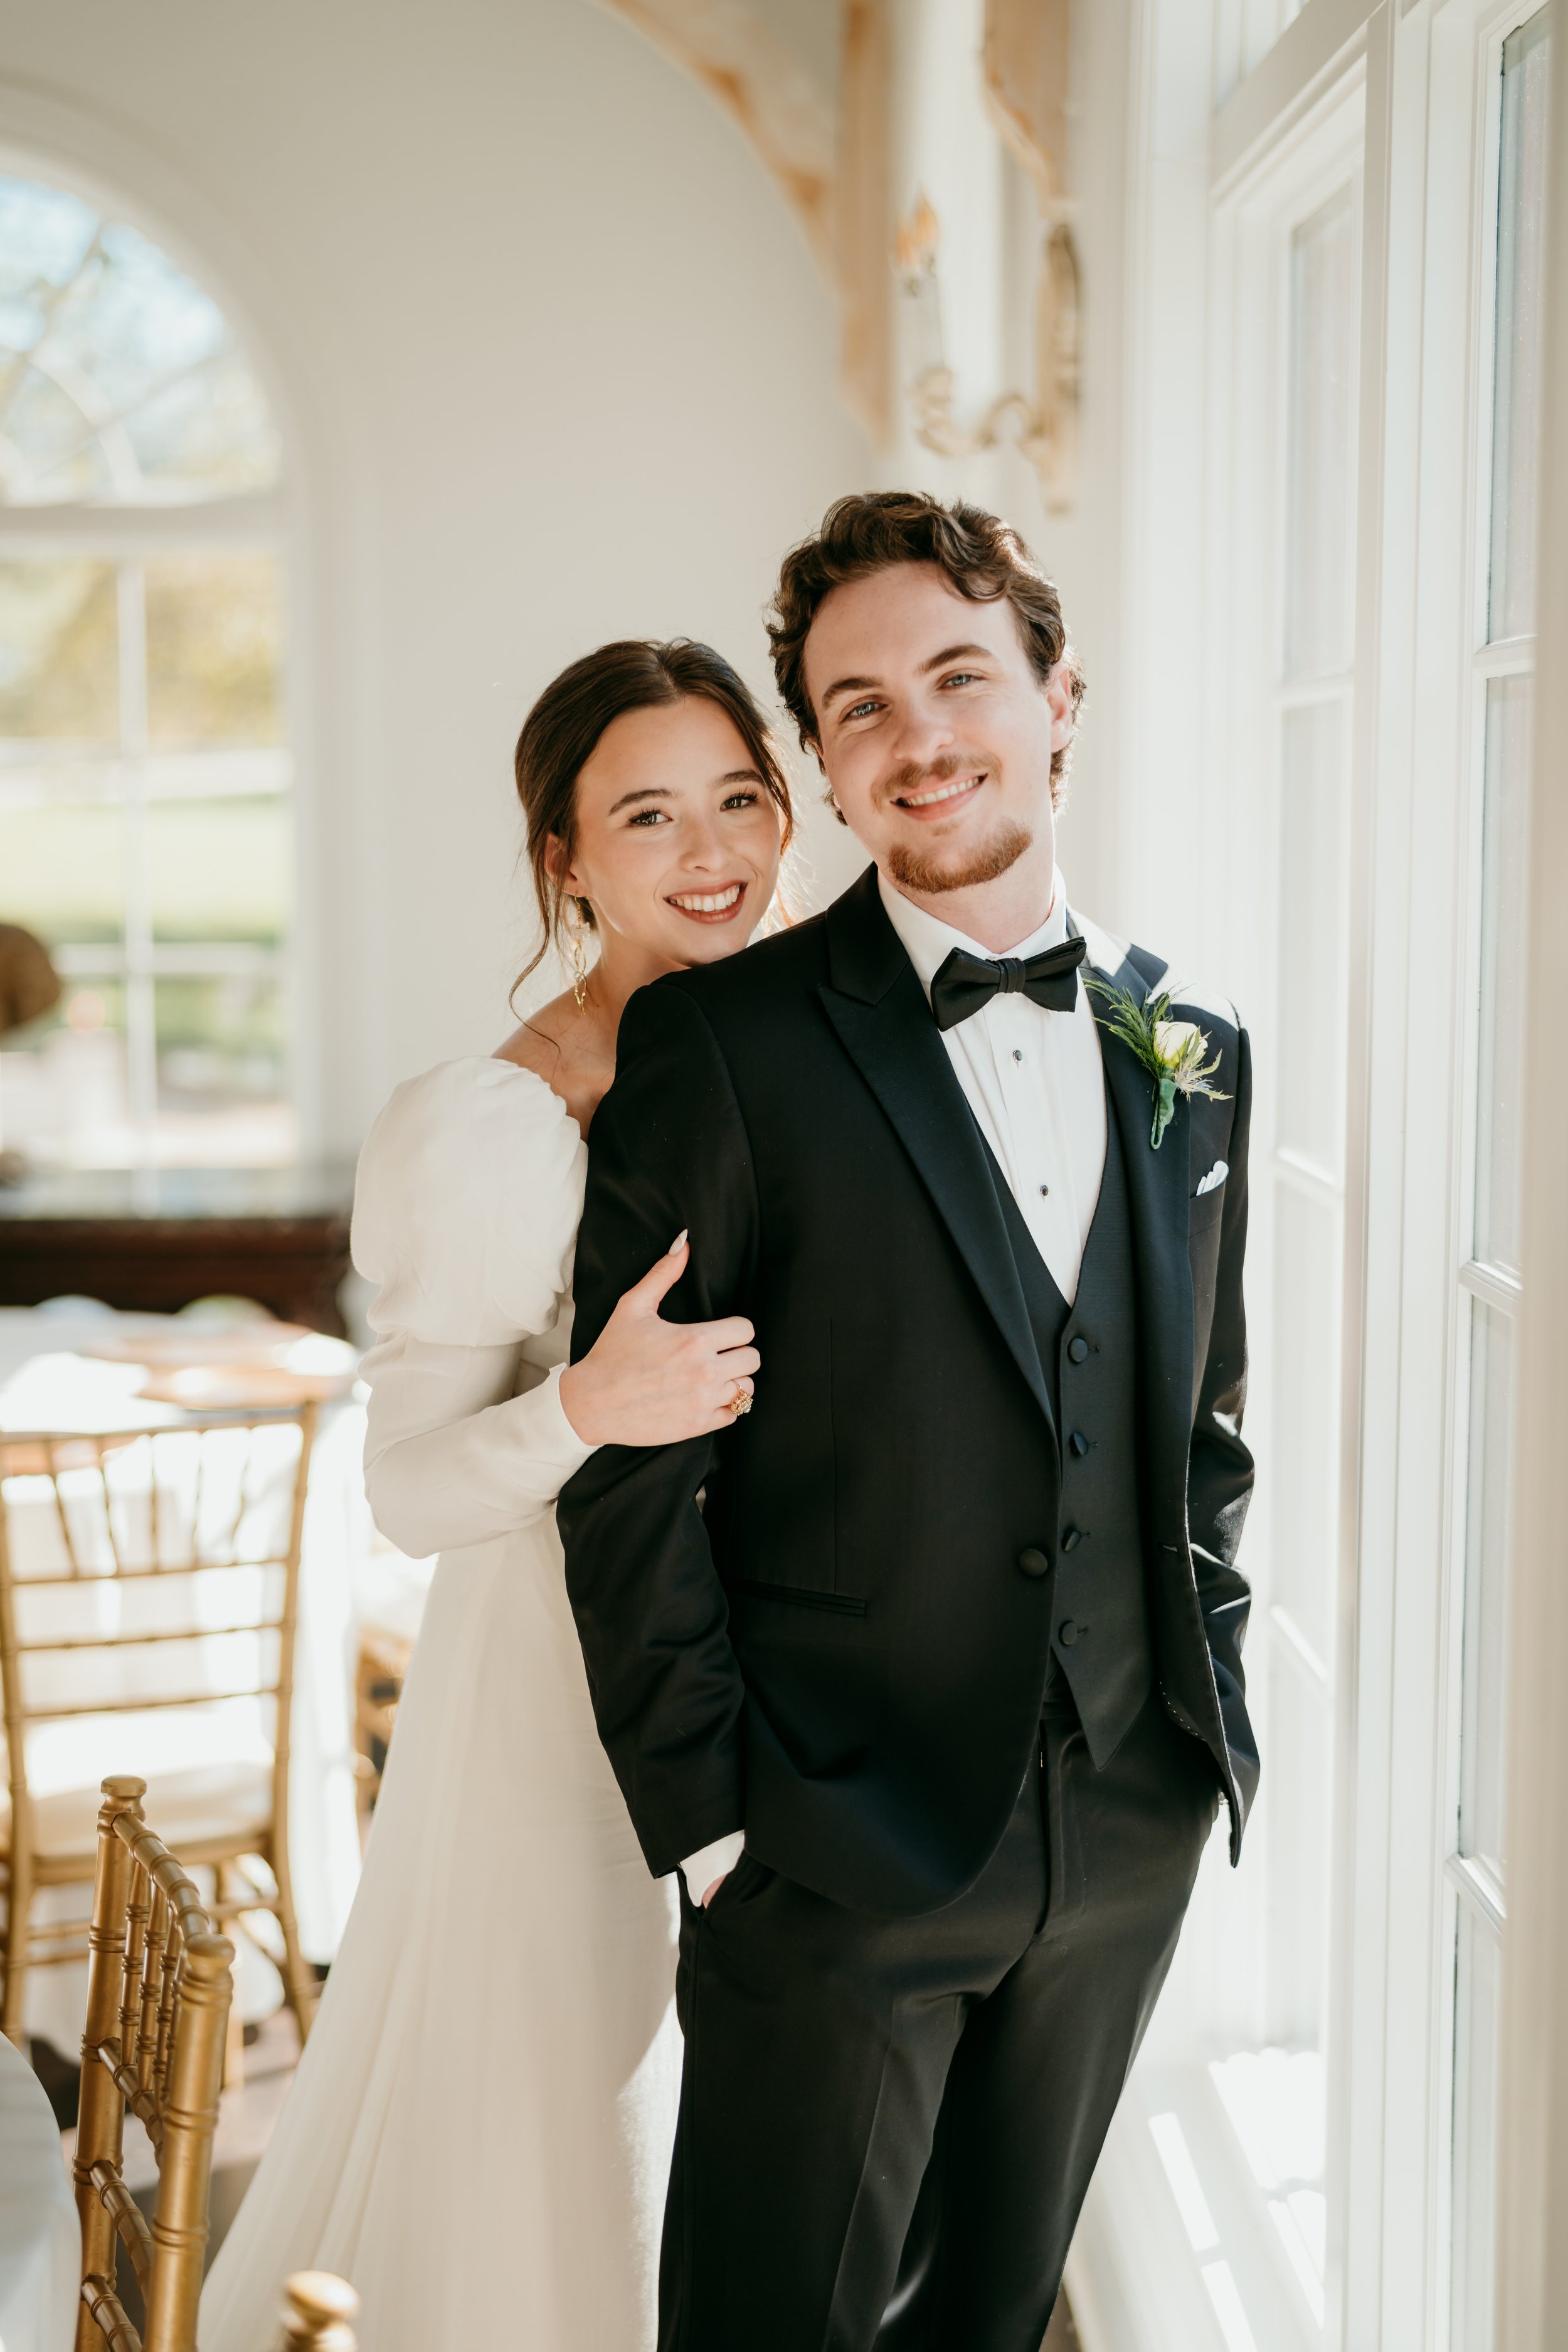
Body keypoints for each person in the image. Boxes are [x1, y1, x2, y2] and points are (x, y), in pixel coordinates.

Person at [558, 493, 1259, 2352]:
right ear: (824, 764)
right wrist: (723, 1838)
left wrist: (1198, 1733)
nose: (917, 732)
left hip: (1121, 1830)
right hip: (827, 1853)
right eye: (855, 704)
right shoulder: (725, 1051)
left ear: (1056, 697)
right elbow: (636, 1479)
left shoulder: (1192, 1046)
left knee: (999, 2317)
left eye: (958, 674)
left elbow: (1202, 1428)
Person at [200, 638, 790, 2352]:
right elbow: (409, 1493)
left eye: (740, 799)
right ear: (566, 861)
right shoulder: (496, 1125)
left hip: (772, 1686)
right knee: (564, 2127)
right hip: (553, 1698)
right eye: (649, 814)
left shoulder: (782, 1048)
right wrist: (585, 1408)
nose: (711, 852)